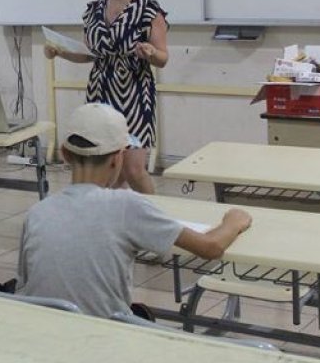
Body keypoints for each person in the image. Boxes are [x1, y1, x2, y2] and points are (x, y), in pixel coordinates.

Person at [17, 103, 252, 319]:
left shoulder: (38, 211)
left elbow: (25, 286)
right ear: (118, 158)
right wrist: (234, 221)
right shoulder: (126, 205)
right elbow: (210, 248)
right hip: (103, 339)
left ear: (65, 154)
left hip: (42, 334)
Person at [44, 0, 167, 195]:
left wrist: (152, 53)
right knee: (107, 171)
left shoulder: (149, 11)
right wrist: (60, 52)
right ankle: (110, 221)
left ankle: (156, 218)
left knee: (133, 169)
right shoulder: (93, 11)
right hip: (101, 95)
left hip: (134, 96)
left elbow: (163, 58)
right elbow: (90, 55)